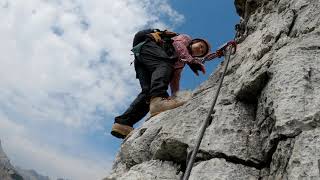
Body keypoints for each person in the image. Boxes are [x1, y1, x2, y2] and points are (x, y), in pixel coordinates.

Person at [111, 29, 212, 139]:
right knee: (165, 64)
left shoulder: (181, 63)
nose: (200, 49)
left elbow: (175, 79)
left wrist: (175, 97)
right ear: (195, 41)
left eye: (202, 52)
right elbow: (178, 45)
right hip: (148, 47)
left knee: (149, 92)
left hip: (143, 59)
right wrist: (191, 61)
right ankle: (158, 99)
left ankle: (123, 123)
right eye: (201, 45)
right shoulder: (185, 39)